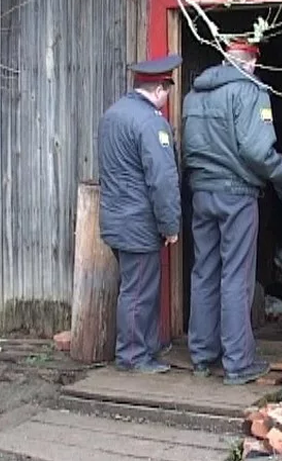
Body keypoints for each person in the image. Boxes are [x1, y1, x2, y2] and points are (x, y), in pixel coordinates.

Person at [182, 38, 282, 385]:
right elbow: (257, 152)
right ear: (252, 62)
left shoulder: (194, 95)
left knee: (204, 272)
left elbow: (190, 146)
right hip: (236, 195)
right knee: (236, 276)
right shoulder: (251, 91)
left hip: (201, 193)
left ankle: (202, 355)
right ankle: (238, 363)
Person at [98, 53, 183, 374]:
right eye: (167, 92)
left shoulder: (112, 115)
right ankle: (133, 356)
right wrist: (170, 224)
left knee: (134, 287)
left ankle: (143, 349)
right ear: (160, 89)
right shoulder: (151, 123)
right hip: (139, 223)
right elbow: (162, 180)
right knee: (139, 292)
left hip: (115, 217)